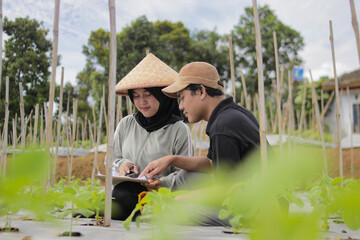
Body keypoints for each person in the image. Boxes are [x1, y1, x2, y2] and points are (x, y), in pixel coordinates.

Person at [139, 61, 260, 181]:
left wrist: (176, 199)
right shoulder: (234, 113)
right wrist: (171, 160)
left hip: (258, 197)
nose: (180, 106)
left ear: (201, 92)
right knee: (186, 176)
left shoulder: (223, 126)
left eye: (182, 98)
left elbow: (228, 190)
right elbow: (211, 163)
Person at [111, 53, 193, 221]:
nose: (142, 102)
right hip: (125, 191)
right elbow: (112, 157)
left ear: (163, 95)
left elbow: (185, 173)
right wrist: (123, 164)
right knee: (120, 196)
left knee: (122, 201)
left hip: (159, 197)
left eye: (148, 94)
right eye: (136, 96)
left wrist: (161, 183)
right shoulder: (126, 124)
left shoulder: (179, 130)